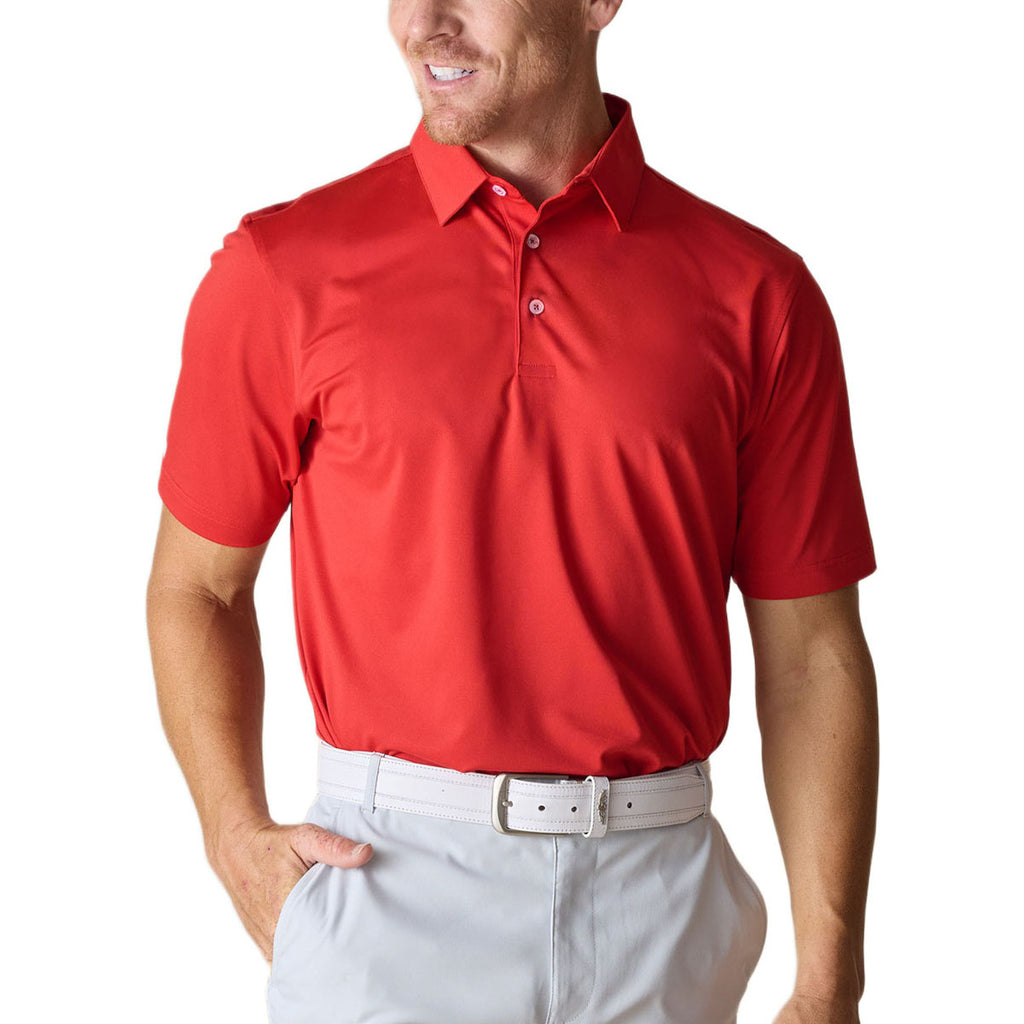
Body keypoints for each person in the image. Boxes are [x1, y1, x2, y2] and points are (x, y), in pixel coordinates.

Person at [146, 1, 879, 1022]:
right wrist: (235, 838)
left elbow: (810, 655)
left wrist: (828, 978)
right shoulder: (283, 269)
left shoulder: (758, 292)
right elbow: (199, 588)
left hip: (660, 901)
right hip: (387, 886)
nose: (423, 23)